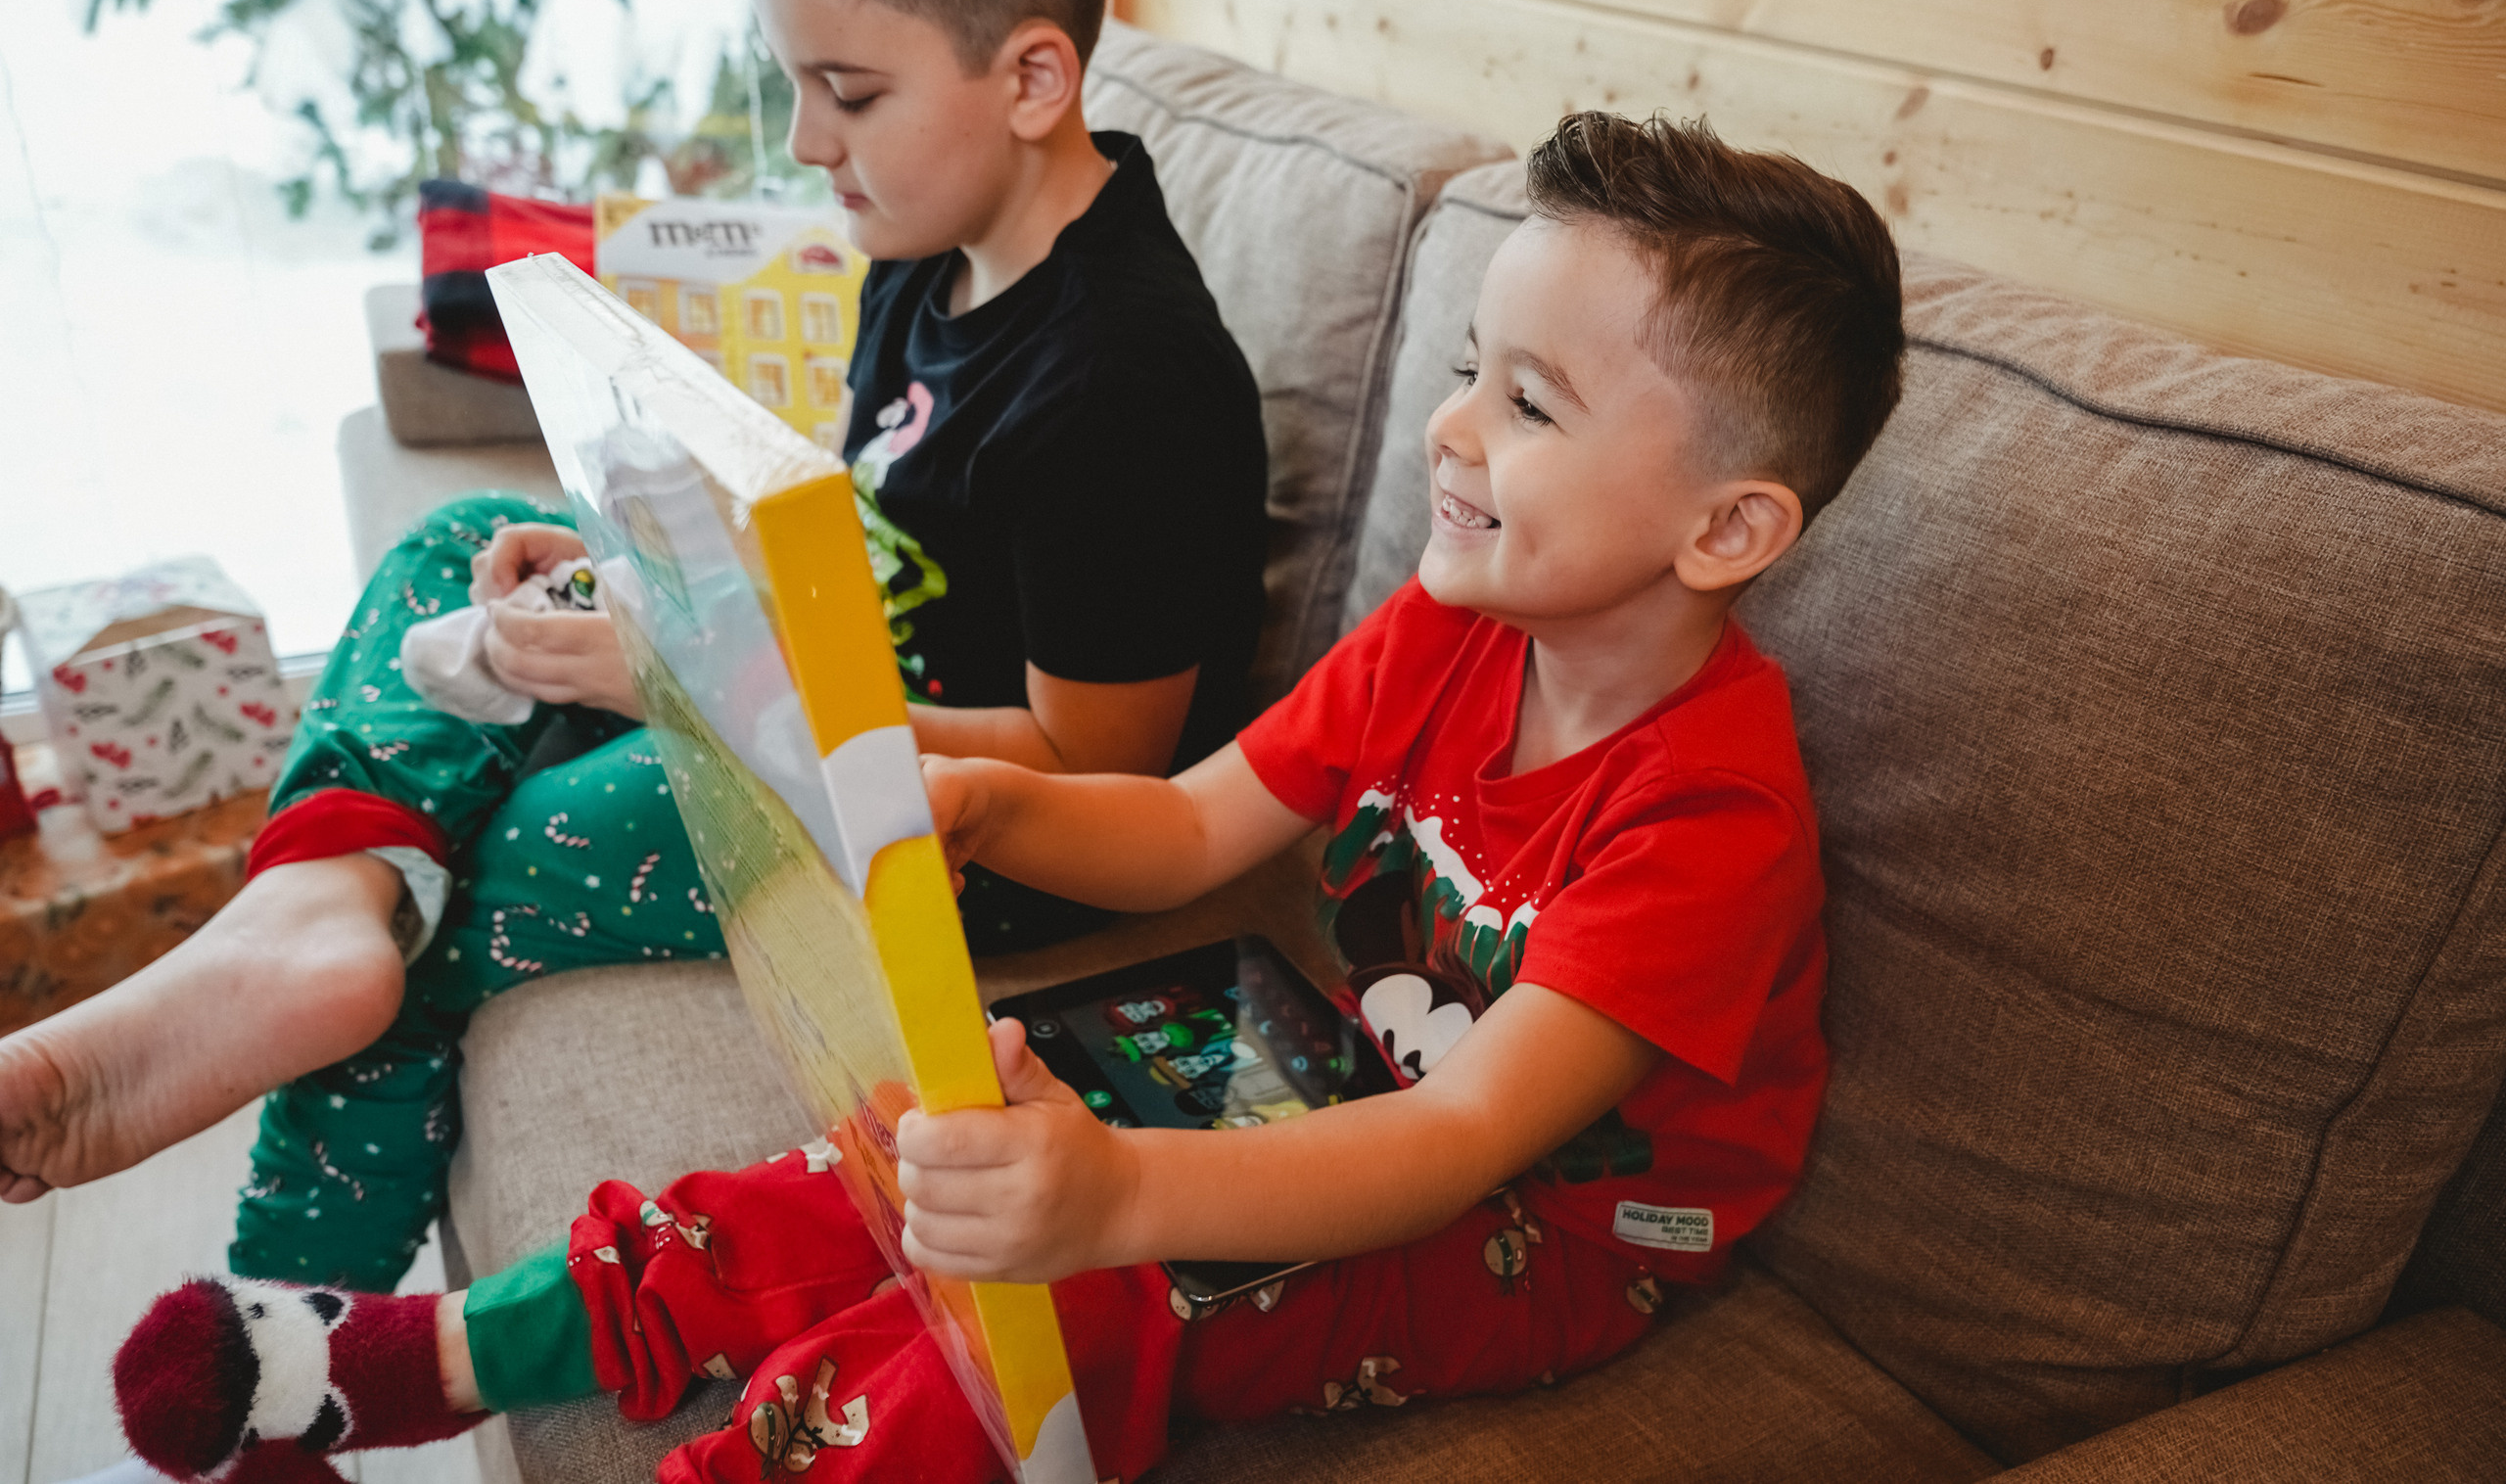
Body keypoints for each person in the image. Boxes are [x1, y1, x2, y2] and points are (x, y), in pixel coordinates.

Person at [110, 107, 1906, 1484]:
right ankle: (427, 1357)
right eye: (1463, 377)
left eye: (1529, 403)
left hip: (1553, 1229)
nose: (1453, 435)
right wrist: (972, 799)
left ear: (1728, 529)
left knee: (1061, 1289)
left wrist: (1121, 1200)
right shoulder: (1450, 626)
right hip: (1332, 1064)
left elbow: (1458, 1147)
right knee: (923, 1151)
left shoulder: (1709, 820)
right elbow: (1201, 825)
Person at [0, 0, 1268, 1295]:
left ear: (1035, 77)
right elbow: (864, 537)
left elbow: (1094, 773)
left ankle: (286, 1349)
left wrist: (689, 676)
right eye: (793, 83)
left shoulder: (1127, 383)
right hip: (828, 697)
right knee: (462, 541)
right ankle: (315, 902)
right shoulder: (932, 245)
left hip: (961, 831)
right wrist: (663, 580)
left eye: (846, 94)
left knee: (494, 868)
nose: (804, 143)